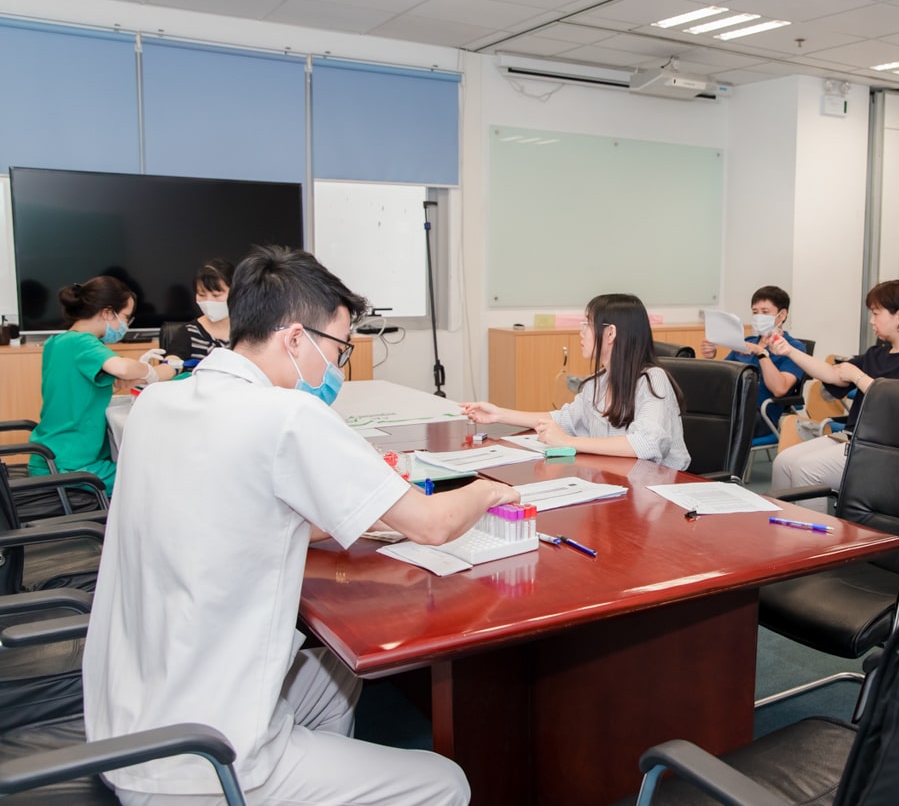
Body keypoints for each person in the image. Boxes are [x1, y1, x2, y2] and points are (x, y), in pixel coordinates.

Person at [83, 246, 518, 805]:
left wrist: (361, 514)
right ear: (294, 339)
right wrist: (489, 488)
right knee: (446, 783)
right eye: (338, 348)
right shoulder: (287, 415)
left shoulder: (158, 403)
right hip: (203, 760)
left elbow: (246, 516)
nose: (337, 367)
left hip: (127, 723)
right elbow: (432, 525)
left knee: (337, 680)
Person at [768, 280, 899, 509]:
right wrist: (790, 351)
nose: (871, 320)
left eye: (876, 313)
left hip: (888, 446)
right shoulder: (877, 354)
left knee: (806, 469)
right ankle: (781, 528)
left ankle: (812, 532)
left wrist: (858, 376)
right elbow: (833, 374)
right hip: (853, 437)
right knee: (783, 462)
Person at [463, 293, 691, 470]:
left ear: (610, 333)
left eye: (588, 325)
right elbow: (563, 420)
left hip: (658, 490)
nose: (581, 332)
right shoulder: (597, 383)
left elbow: (646, 444)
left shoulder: (652, 380)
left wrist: (569, 442)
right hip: (617, 479)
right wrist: (499, 414)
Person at [27, 276, 181, 497]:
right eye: (126, 317)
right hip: (71, 465)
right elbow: (123, 368)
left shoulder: (56, 342)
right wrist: (153, 371)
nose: (126, 326)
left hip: (48, 457)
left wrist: (125, 381)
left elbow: (79, 388)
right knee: (156, 480)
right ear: (108, 312)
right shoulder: (82, 342)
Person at [699, 285, 806, 437]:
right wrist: (710, 357)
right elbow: (722, 377)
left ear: (782, 315)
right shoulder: (747, 342)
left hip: (760, 415)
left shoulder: (793, 348)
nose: (758, 316)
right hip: (730, 406)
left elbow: (779, 389)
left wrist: (761, 353)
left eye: (765, 312)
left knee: (706, 427)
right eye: (755, 312)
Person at [164, 258, 235, 363]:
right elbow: (171, 364)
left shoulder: (251, 331)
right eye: (201, 295)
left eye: (216, 295)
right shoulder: (188, 333)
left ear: (235, 293)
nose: (208, 301)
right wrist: (149, 370)